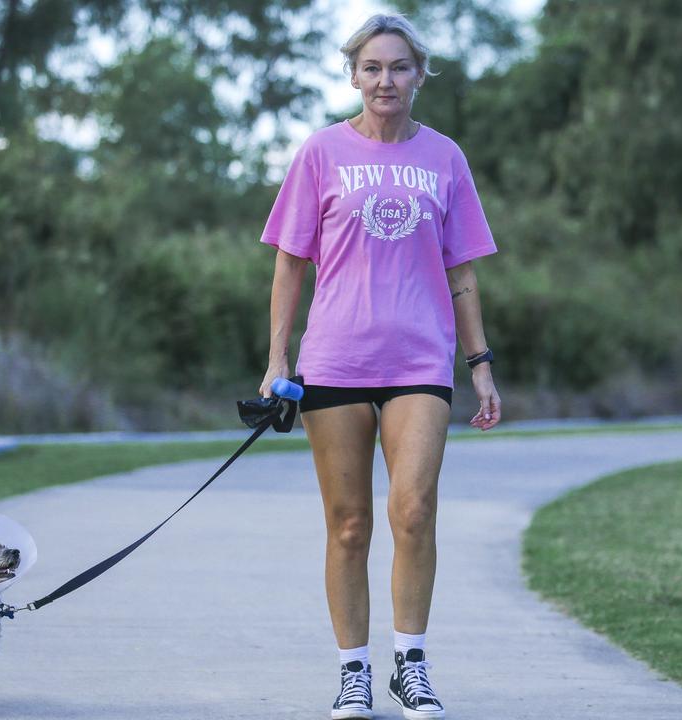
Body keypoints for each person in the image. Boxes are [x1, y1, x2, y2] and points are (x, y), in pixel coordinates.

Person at [258, 13, 501, 720]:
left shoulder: (445, 158)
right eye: (372, 67)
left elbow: (461, 270)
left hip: (420, 359)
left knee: (414, 512)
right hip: (334, 359)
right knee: (348, 526)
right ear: (353, 75)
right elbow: (288, 262)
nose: (385, 80)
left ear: (419, 75)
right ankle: (353, 672)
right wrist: (277, 359)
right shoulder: (321, 153)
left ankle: (411, 665)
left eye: (399, 67)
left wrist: (479, 364)